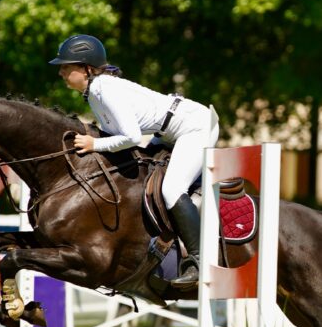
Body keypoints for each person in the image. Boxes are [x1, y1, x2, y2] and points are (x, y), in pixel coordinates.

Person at [50, 34, 219, 290]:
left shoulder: (103, 89)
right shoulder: (95, 89)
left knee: (171, 190)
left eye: (66, 66)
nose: (61, 72)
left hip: (194, 128)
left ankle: (199, 261)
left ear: (85, 69)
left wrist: (94, 144)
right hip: (168, 132)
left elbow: (131, 136)